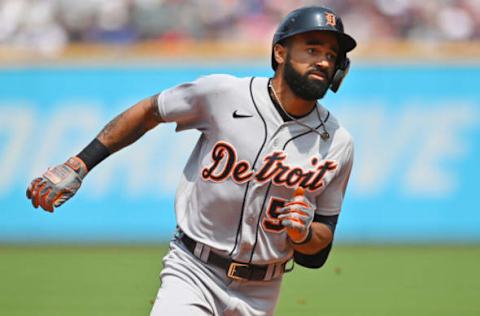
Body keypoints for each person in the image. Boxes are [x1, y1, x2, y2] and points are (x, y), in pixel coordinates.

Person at [26, 5, 356, 316]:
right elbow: (150, 111)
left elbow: (319, 249)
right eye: (312, 49)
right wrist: (80, 163)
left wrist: (303, 236)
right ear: (280, 52)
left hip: (263, 291)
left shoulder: (337, 143)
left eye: (331, 55)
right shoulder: (225, 95)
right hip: (194, 271)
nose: (324, 62)